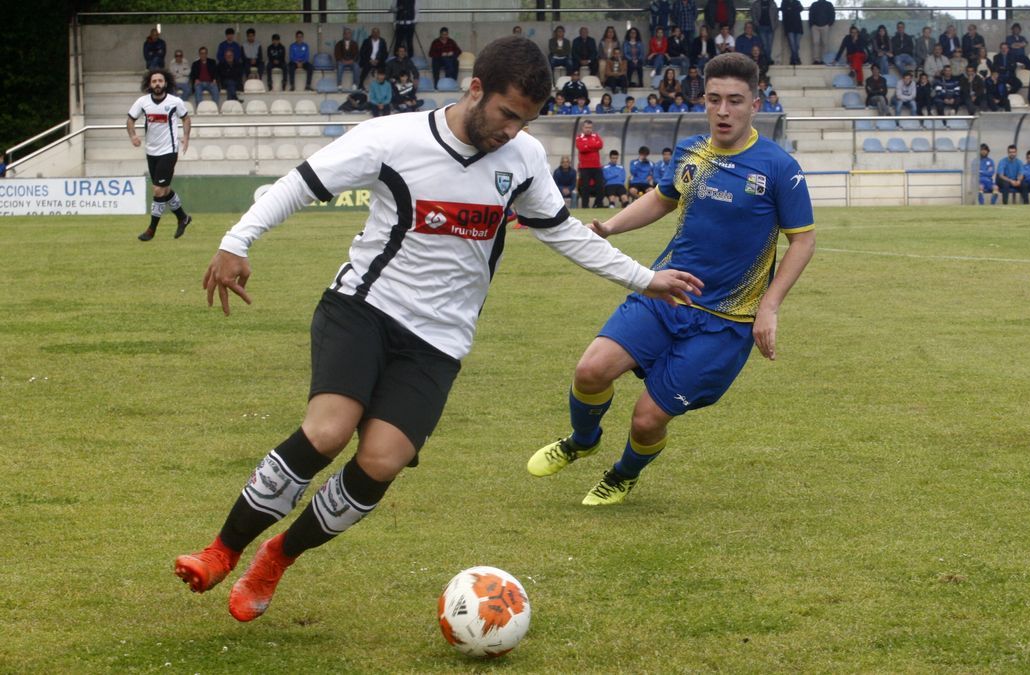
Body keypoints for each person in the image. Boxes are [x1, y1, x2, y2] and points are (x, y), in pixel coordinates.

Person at [172, 36, 700, 622]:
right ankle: (221, 550)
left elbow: (565, 232)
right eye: (505, 115)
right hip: (364, 308)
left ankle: (277, 558)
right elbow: (300, 183)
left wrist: (645, 278)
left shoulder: (522, 160)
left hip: (439, 340)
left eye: (524, 121)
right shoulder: (391, 139)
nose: (511, 132)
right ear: (475, 89)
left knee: (382, 461)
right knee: (328, 430)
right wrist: (234, 243)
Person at [527, 51, 814, 505]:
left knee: (646, 419)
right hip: (666, 294)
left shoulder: (778, 168)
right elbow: (662, 199)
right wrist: (607, 227)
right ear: (704, 100)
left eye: (735, 101)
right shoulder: (692, 152)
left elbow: (803, 242)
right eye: (715, 99)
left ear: (755, 105)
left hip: (726, 322)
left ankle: (622, 474)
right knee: (590, 370)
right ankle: (582, 440)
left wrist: (770, 308)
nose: (723, 110)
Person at [127, 69, 192, 241]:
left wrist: (186, 137)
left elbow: (186, 118)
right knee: (165, 189)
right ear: (149, 84)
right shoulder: (142, 102)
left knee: (157, 189)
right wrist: (133, 135)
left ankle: (151, 229)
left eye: (160, 81)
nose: (157, 84)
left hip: (169, 150)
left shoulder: (174, 101)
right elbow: (130, 119)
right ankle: (183, 218)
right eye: (154, 81)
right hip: (151, 152)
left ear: (166, 83)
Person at [577, 119, 605, 208]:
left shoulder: (596, 136)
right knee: (585, 187)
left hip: (596, 166)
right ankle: (585, 206)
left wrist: (587, 146)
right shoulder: (579, 137)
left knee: (600, 186)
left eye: (590, 127)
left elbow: (600, 145)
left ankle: (598, 204)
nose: (588, 129)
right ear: (583, 128)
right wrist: (593, 146)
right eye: (586, 127)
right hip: (584, 167)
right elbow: (581, 148)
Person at [750, 0, 778, 65]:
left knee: (769, 45)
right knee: (764, 45)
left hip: (771, 27)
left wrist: (775, 25)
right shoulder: (756, 3)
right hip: (761, 27)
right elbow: (753, 14)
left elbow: (776, 15)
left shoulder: (772, 3)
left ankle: (767, 59)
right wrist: (757, 24)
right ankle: (768, 59)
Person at [809, 0, 835, 64]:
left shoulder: (829, 4)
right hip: (815, 26)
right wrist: (812, 24)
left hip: (825, 25)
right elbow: (810, 14)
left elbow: (832, 14)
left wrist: (829, 24)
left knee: (825, 43)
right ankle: (816, 60)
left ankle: (824, 60)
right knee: (816, 43)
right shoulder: (814, 4)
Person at [780, 0, 804, 66]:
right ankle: (797, 59)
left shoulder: (797, 1)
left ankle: (793, 59)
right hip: (789, 27)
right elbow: (784, 12)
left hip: (798, 27)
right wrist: (793, 8)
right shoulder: (784, 2)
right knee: (793, 45)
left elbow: (801, 9)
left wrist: (790, 8)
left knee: (797, 45)